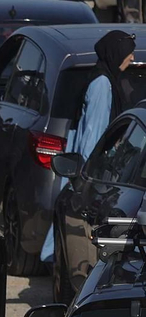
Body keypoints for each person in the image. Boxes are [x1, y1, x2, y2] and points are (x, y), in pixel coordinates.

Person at [44, 30, 138, 261]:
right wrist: (87, 177)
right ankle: (54, 258)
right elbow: (93, 134)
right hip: (91, 170)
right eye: (129, 53)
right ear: (116, 53)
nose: (132, 58)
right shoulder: (101, 85)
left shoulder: (106, 80)